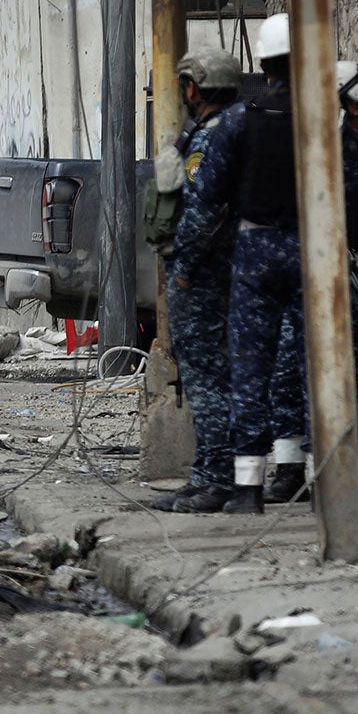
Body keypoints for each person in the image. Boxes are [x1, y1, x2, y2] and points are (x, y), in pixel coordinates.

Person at [259, 60, 358, 503]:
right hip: (304, 273)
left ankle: (342, 464)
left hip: (355, 272)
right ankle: (288, 469)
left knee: (350, 370)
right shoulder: (312, 144)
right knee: (287, 367)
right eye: (351, 103)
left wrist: (343, 178)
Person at [180, 13, 302, 514]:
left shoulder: (235, 123)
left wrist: (185, 265)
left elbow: (206, 203)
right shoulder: (324, 117)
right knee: (297, 365)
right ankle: (302, 476)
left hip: (249, 259)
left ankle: (238, 486)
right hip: (313, 255)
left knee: (245, 369)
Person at [150, 47, 244, 512]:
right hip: (223, 269)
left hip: (206, 274)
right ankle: (208, 473)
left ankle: (217, 480)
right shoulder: (227, 131)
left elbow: (204, 211)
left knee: (207, 377)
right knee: (207, 375)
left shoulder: (211, 140)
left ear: (194, 87)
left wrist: (183, 270)